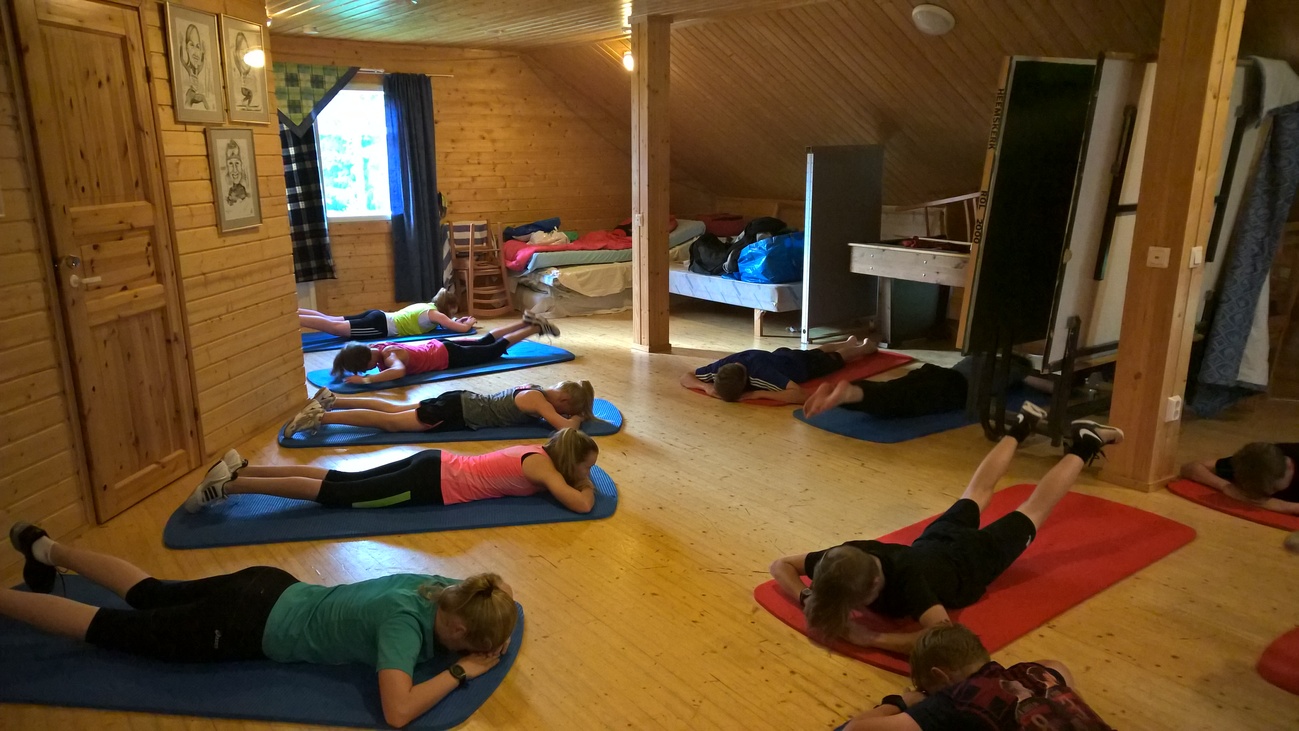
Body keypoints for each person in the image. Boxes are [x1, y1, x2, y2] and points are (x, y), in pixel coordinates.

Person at [5, 521, 515, 729]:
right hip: (242, 626)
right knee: (110, 629)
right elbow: (397, 713)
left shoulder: (443, 586)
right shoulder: (403, 627)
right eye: (468, 644)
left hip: (269, 584)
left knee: (151, 592)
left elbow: (502, 590)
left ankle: (45, 547)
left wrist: (494, 626)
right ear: (458, 631)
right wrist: (462, 671)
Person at [768, 404, 1122, 655]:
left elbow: (944, 637)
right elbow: (780, 565)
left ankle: (1086, 441)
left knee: (1033, 508)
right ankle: (1022, 425)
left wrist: (872, 639)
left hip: (973, 560)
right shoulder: (843, 556)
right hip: (935, 540)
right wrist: (806, 596)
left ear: (875, 586)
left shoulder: (910, 584)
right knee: (976, 492)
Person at [184, 428, 599, 516]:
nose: (590, 473)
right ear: (570, 460)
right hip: (429, 483)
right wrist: (583, 484)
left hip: (434, 462)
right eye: (588, 466)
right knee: (337, 494)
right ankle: (231, 484)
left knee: (340, 480)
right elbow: (581, 504)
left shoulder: (537, 450)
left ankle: (242, 470)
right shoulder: (544, 469)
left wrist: (578, 474)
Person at [843, 623, 1113, 730]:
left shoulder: (957, 700)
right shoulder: (1040, 672)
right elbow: (1057, 666)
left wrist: (902, 702)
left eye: (928, 689)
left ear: (940, 676)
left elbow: (855, 729)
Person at [286, 380, 596, 435]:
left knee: (393, 410)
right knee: (389, 423)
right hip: (455, 412)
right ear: (564, 401)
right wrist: (578, 418)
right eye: (566, 408)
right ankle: (321, 416)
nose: (563, 412)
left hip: (459, 399)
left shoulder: (534, 387)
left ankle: (334, 399)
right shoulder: (539, 401)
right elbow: (565, 428)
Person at [330, 314, 560, 386]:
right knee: (485, 340)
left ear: (367, 361)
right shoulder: (375, 348)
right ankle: (524, 321)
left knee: (494, 349)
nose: (365, 372)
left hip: (450, 356)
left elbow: (398, 371)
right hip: (441, 345)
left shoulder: (389, 356)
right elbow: (350, 354)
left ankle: (535, 327)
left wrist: (367, 381)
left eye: (363, 370)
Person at [803, 354, 1038, 419]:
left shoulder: (980, 356)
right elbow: (1037, 382)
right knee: (897, 403)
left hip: (936, 372)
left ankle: (845, 392)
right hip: (954, 389)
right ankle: (850, 392)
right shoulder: (1016, 369)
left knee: (894, 389)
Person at [679, 337, 881, 404]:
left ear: (746, 382)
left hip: (800, 366)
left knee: (834, 358)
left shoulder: (762, 374)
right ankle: (848, 341)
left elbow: (800, 395)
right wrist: (705, 387)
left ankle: (864, 347)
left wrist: (757, 394)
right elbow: (685, 377)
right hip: (780, 355)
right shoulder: (720, 367)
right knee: (816, 351)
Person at [299, 288, 472, 340]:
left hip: (379, 315)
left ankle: (296, 312)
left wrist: (456, 320)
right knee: (335, 327)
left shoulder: (427, 306)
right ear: (447, 307)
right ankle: (296, 319)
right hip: (380, 326)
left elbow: (449, 323)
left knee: (330, 319)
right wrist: (469, 323)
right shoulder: (437, 315)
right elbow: (462, 329)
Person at [1180, 442, 1299, 516]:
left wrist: (1285, 506)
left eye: (1274, 488)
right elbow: (1190, 468)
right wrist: (1225, 486)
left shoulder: (1286, 460)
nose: (1267, 494)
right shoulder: (1253, 461)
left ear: (1289, 465)